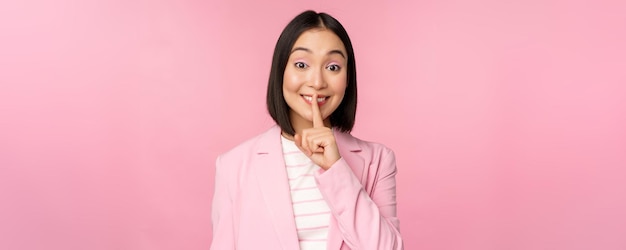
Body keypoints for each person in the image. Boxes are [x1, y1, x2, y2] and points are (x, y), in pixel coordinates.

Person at [211, 10, 403, 250]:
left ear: (348, 78)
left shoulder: (378, 160)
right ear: (281, 71)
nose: (317, 81)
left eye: (333, 67)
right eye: (301, 64)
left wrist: (335, 168)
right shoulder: (233, 165)